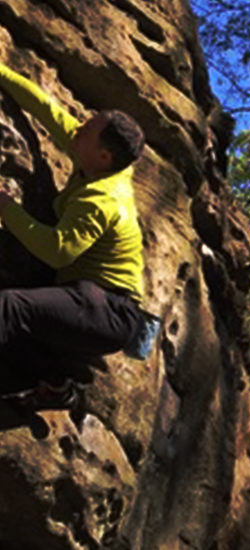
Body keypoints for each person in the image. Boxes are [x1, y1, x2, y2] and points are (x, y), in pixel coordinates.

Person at [0, 61, 147, 407]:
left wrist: (7, 208)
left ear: (104, 155)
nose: (77, 127)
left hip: (109, 311)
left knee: (10, 307)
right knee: (22, 331)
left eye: (86, 129)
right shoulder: (94, 157)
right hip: (86, 299)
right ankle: (57, 385)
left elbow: (56, 251)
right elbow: (45, 107)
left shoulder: (103, 198)